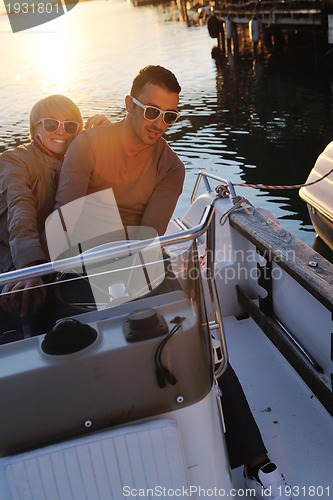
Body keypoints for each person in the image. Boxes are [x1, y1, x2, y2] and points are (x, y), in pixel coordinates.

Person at [52, 65, 291, 499]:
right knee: (68, 347)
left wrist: (115, 237)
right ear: (128, 104)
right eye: (150, 112)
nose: (159, 125)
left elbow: (148, 235)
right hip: (81, 266)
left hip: (139, 262)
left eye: (170, 117)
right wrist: (108, 240)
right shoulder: (88, 146)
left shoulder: (172, 167)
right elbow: (69, 219)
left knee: (201, 340)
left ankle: (257, 463)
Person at [0, 94, 109, 329]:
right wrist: (30, 268)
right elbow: (20, 210)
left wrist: (105, 142)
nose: (61, 132)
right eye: (51, 124)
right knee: (27, 300)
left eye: (70, 127)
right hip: (14, 258)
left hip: (62, 257)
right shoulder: (14, 160)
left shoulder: (78, 162)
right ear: (35, 127)